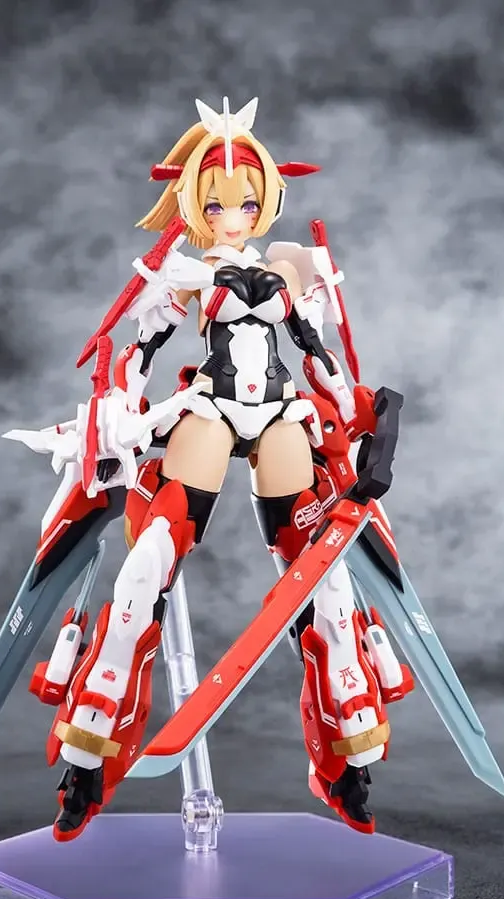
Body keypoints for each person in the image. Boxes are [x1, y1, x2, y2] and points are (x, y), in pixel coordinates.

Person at [33, 98, 414, 842]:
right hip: (207, 409)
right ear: (192, 205)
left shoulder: (287, 270)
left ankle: (344, 762)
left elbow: (316, 354)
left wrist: (360, 412)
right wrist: (116, 413)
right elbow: (140, 354)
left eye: (243, 202)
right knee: (144, 572)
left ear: (265, 199)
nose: (231, 216)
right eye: (215, 204)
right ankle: (87, 761)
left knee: (325, 583)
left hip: (280, 413)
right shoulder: (182, 271)